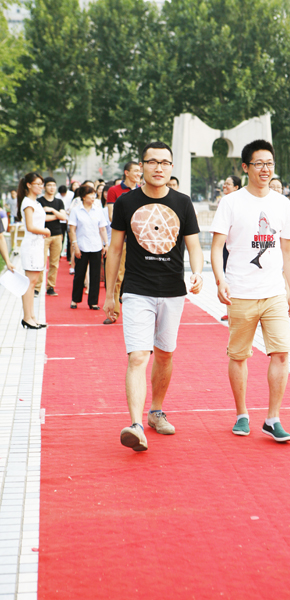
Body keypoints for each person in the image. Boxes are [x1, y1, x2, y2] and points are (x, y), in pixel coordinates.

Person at [103, 141, 203, 452]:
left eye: (164, 163)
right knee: (137, 356)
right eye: (152, 162)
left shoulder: (183, 203)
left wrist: (198, 272)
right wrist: (110, 294)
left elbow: (194, 245)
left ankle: (156, 412)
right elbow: (115, 249)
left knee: (165, 355)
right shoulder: (126, 202)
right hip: (137, 290)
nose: (159, 168)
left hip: (173, 291)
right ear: (142, 166)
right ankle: (135, 426)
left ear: (171, 167)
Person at [210, 139, 290, 443]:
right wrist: (220, 280)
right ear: (245, 167)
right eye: (259, 163)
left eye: (269, 163)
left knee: (282, 353)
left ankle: (273, 419)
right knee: (239, 356)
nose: (265, 169)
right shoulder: (231, 203)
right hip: (240, 292)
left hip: (274, 293)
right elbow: (217, 247)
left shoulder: (282, 203)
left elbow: (287, 251)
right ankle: (242, 414)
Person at [104, 161, 142, 325]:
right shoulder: (114, 191)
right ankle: (113, 312)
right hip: (123, 240)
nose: (139, 174)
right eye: (136, 171)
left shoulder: (142, 190)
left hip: (141, 241)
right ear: (126, 172)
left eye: (139, 171)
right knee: (118, 276)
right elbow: (112, 216)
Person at [17, 173, 51, 329]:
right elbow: (30, 226)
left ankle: (32, 316)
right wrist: (46, 231)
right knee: (29, 284)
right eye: (38, 184)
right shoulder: (27, 203)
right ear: (29, 185)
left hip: (37, 245)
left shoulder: (35, 202)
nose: (41, 187)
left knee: (33, 282)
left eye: (41, 184)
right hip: (31, 246)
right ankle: (27, 317)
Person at [69, 185, 108, 309]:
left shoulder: (98, 210)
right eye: (90, 194)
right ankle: (75, 300)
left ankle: (93, 301)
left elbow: (102, 228)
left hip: (96, 245)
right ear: (83, 196)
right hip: (81, 246)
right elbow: (72, 230)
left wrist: (105, 244)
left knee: (95, 275)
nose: (93, 197)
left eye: (94, 194)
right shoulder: (76, 210)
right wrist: (75, 245)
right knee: (79, 274)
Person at [35, 177, 66, 297]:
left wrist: (52, 210)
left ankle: (51, 287)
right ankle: (37, 288)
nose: (52, 188)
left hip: (57, 235)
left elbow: (63, 217)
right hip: (43, 235)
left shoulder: (59, 202)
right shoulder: (39, 201)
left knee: (54, 263)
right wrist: (57, 215)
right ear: (44, 187)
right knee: (41, 262)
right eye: (49, 185)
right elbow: (42, 218)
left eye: (53, 185)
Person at [220, 175, 242, 322]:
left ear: (236, 187)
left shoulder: (239, 203)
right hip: (224, 245)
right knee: (227, 276)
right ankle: (229, 308)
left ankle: (234, 309)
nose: (225, 186)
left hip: (235, 247)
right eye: (225, 183)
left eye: (228, 184)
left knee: (235, 276)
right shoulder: (224, 202)